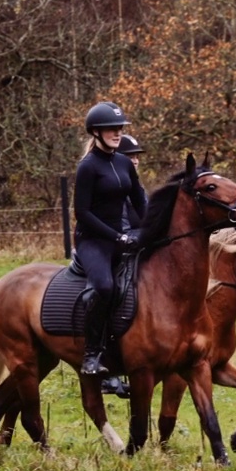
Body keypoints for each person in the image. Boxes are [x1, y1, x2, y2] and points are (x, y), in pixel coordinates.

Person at [74, 102, 147, 377]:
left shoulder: (125, 162)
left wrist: (151, 230)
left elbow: (140, 202)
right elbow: (83, 213)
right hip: (93, 240)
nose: (117, 133)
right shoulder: (88, 167)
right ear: (96, 132)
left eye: (119, 128)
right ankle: (91, 354)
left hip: (123, 238)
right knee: (104, 286)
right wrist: (118, 236)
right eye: (111, 129)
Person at [117, 134, 146, 235]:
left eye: (137, 157)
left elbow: (148, 221)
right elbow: (123, 231)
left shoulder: (138, 186)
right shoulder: (116, 189)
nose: (135, 162)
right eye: (130, 157)